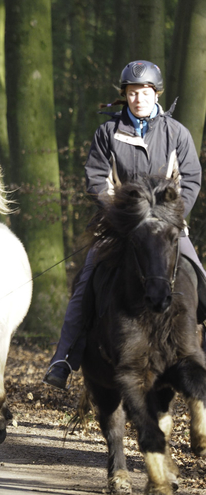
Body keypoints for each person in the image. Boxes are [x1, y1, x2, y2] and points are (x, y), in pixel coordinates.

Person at [43, 60, 206, 390]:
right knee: (87, 280)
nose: (139, 98)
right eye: (132, 93)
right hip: (120, 229)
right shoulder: (107, 132)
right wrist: (120, 214)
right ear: (124, 96)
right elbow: (95, 180)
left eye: (145, 92)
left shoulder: (177, 133)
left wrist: (171, 214)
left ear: (156, 94)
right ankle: (64, 357)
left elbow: (191, 178)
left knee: (201, 278)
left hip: (167, 228)